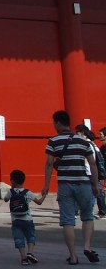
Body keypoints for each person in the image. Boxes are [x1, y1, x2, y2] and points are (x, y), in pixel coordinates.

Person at [42, 109, 99, 265]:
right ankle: (87, 246)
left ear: (59, 123)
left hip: (65, 184)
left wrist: (46, 185)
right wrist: (96, 184)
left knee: (68, 220)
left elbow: (48, 164)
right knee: (87, 216)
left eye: (54, 123)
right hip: (83, 183)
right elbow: (92, 164)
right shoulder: (83, 141)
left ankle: (73, 256)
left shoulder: (53, 141)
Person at [4, 168, 46, 265]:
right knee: (30, 236)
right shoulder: (28, 192)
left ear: (13, 181)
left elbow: (5, 199)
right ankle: (30, 253)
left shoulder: (11, 192)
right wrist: (44, 195)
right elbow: (39, 202)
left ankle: (23, 258)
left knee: (19, 239)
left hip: (15, 220)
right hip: (28, 219)